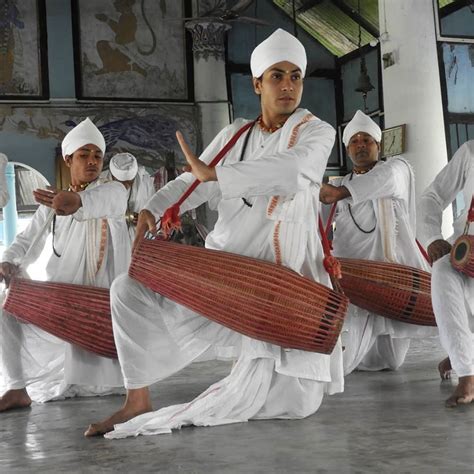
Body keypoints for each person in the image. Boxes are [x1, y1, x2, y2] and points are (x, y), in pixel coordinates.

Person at [85, 28, 343, 438]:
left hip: (281, 283)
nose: (288, 85)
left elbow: (294, 172)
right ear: (257, 83)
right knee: (126, 290)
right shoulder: (234, 134)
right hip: (223, 278)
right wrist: (154, 208)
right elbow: (193, 182)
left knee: (296, 404)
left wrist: (217, 175)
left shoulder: (316, 131)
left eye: (296, 76)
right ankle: (137, 398)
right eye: (277, 75)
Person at [0, 118, 130, 411]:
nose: (93, 161)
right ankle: (17, 389)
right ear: (68, 159)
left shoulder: (113, 193)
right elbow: (26, 240)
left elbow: (101, 200)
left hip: (100, 308)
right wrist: (9, 261)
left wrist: (76, 201)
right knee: (5, 309)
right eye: (84, 155)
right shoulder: (52, 204)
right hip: (61, 305)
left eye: (98, 155)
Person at [319, 110, 435, 375]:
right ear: (347, 149)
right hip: (353, 274)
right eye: (355, 141)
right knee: (359, 326)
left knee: (392, 361)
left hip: (391, 272)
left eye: (367, 140)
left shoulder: (397, 169)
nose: (361, 145)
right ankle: (337, 366)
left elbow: (386, 180)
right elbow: (320, 222)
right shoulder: (339, 184)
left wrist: (339, 193)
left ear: (378, 146)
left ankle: (348, 360)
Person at [417, 140, 473, 407]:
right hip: (467, 246)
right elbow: (433, 196)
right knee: (443, 269)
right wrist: (432, 237)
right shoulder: (471, 152)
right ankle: (467, 373)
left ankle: (461, 353)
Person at [105, 152, 155, 240]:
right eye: (121, 182)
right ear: (113, 176)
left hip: (137, 240)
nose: (126, 186)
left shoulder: (145, 181)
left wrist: (143, 220)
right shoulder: (100, 183)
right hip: (110, 241)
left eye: (129, 182)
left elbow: (154, 209)